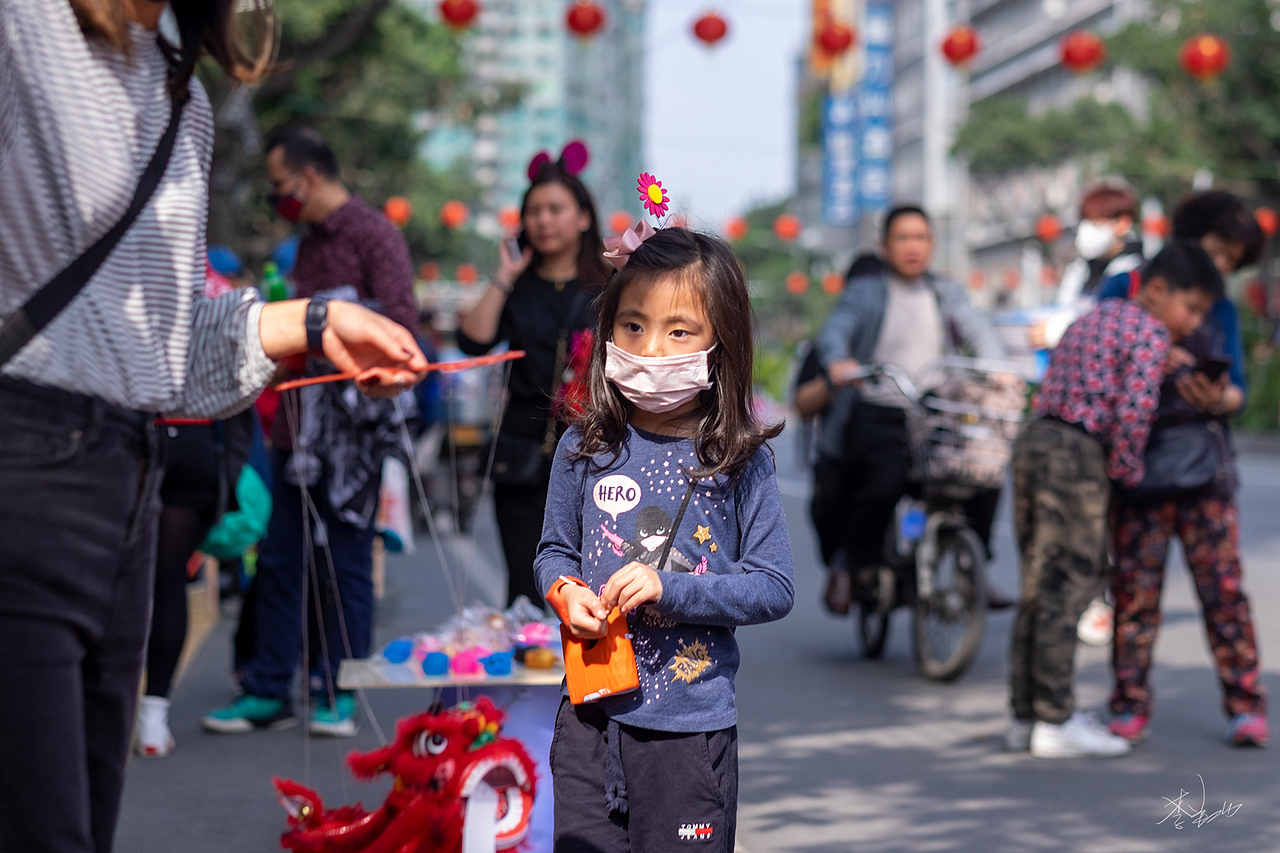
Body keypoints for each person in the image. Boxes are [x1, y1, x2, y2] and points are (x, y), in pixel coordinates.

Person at [0, 4, 426, 852]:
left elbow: (164, 351)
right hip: (23, 466)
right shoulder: (26, 25)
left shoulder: (180, 93)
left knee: (80, 825)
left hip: (132, 471)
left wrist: (306, 325)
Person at [535, 225, 794, 852]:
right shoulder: (582, 446)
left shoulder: (738, 459)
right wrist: (565, 593)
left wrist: (669, 588)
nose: (651, 349)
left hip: (689, 735)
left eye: (679, 330)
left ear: (720, 342)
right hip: (588, 717)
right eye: (632, 326)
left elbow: (774, 586)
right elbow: (554, 554)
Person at [203, 127, 421, 738]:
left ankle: (339, 690)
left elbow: (403, 328)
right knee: (277, 559)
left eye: (280, 185)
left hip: (351, 438)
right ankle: (270, 688)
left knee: (346, 563)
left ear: (310, 176)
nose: (279, 196)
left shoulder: (376, 235)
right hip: (295, 432)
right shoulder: (303, 247)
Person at [1006, 241, 1224, 759]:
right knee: (1068, 587)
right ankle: (1054, 721)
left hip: (1035, 442)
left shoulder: (1095, 316)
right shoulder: (1149, 333)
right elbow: (1133, 415)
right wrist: (1126, 476)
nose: (1192, 323)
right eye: (1189, 308)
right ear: (1155, 290)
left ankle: (1025, 715)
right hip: (1078, 457)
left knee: (1037, 588)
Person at [1095, 192, 1268, 747]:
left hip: (1205, 469)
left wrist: (1220, 399)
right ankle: (1128, 705)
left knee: (1224, 593)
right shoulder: (1122, 289)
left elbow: (1237, 387)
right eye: (1219, 252)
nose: (1222, 270)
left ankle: (1245, 705)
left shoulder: (1222, 307)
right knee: (1135, 595)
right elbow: (1092, 360)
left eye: (1232, 262)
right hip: (1136, 466)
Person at [812, 205, 1007, 616]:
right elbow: (836, 331)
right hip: (879, 408)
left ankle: (975, 567)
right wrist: (837, 361)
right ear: (885, 246)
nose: (912, 247)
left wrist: (997, 368)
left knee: (983, 474)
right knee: (884, 484)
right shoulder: (865, 292)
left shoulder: (946, 292)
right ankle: (856, 564)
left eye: (920, 238)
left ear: (931, 244)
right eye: (903, 238)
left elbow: (978, 329)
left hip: (938, 410)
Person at [457, 153, 609, 607]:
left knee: (588, 589)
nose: (543, 220)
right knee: (526, 588)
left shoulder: (609, 285)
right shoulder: (517, 287)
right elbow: (473, 342)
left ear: (583, 217)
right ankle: (531, 674)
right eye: (534, 211)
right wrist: (504, 276)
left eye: (555, 209)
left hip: (593, 458)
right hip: (522, 459)